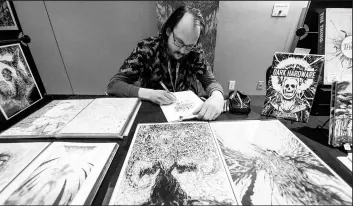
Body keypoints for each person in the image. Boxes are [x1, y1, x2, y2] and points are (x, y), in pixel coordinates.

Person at [107, 6, 224, 121]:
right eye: (179, 42)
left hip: (186, 115)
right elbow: (114, 84)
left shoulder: (195, 52)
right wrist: (150, 94)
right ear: (169, 31)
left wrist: (217, 97)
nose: (183, 51)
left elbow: (210, 81)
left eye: (189, 46)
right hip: (153, 115)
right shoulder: (147, 48)